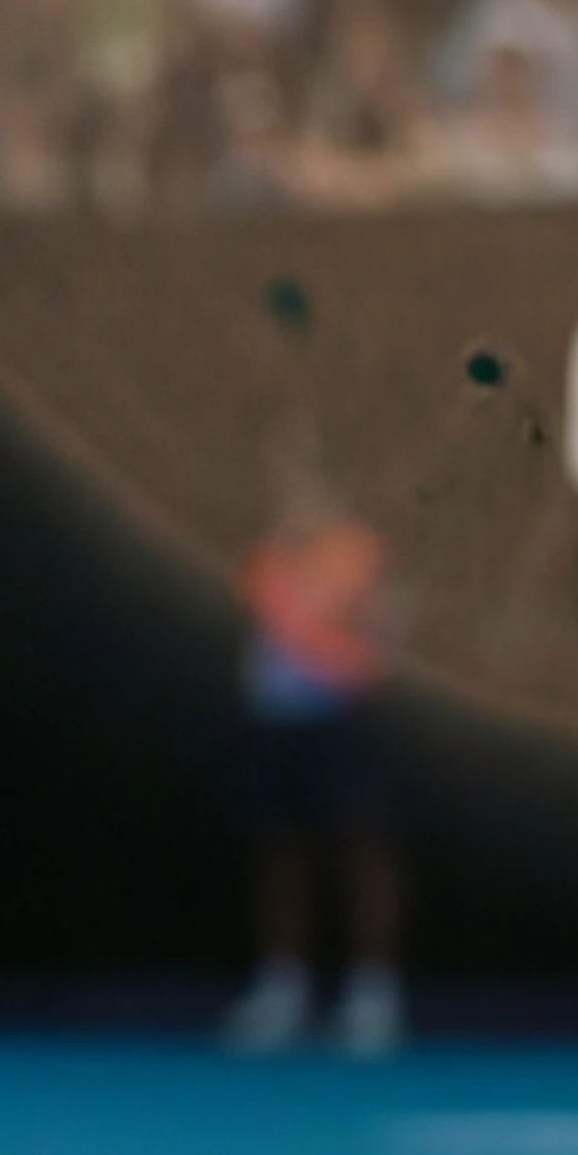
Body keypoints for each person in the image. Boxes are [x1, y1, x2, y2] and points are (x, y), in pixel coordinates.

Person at [222, 424, 406, 1058]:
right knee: (281, 857)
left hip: (341, 721)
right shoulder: (268, 554)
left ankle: (371, 994)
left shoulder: (355, 549)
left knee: (357, 854)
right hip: (276, 723)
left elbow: (349, 632)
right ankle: (283, 989)